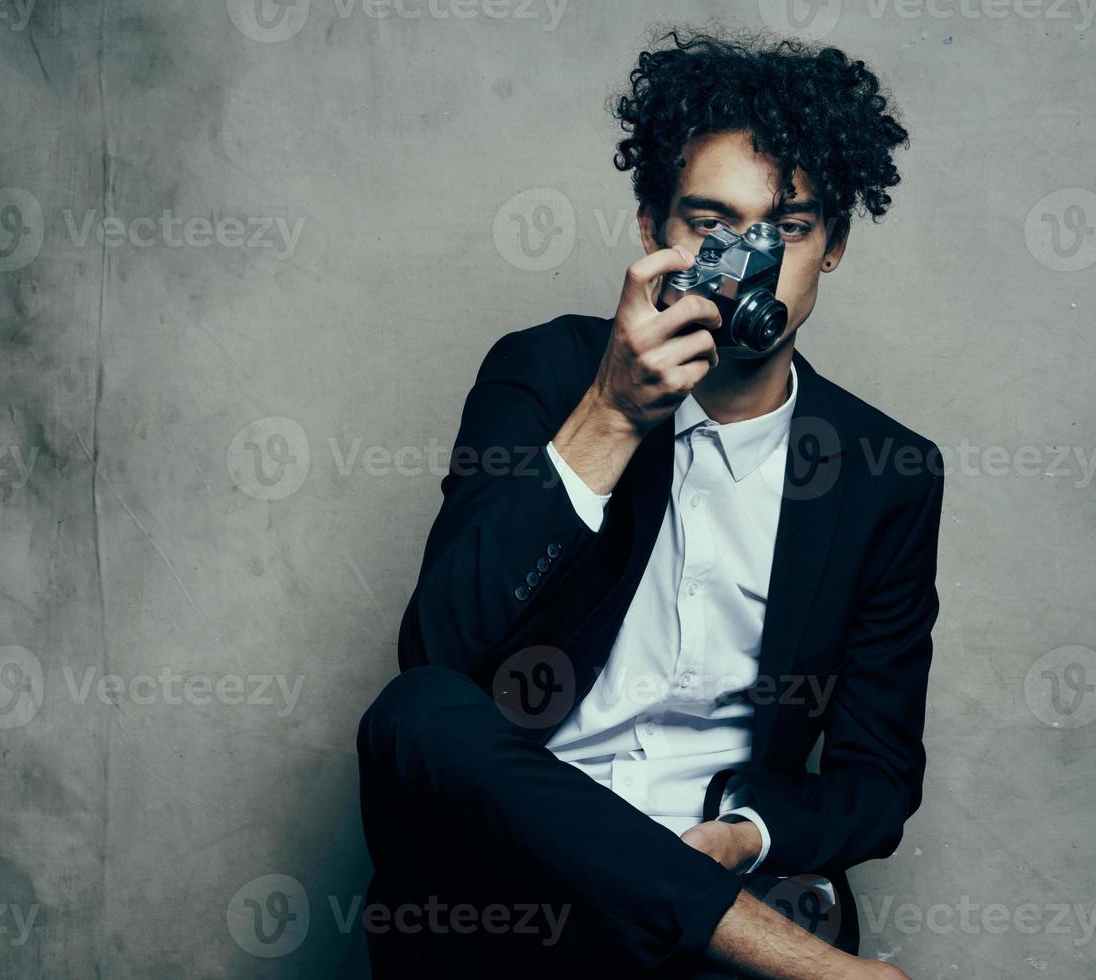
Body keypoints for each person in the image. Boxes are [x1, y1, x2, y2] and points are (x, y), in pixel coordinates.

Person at [357, 27, 942, 979]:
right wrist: (613, 414)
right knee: (416, 710)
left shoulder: (887, 472)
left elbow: (878, 779)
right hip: (519, 876)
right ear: (651, 228)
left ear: (832, 245)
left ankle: (706, 920)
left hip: (712, 857)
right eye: (711, 224)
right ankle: (814, 970)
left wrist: (746, 837)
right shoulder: (547, 372)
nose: (750, 264)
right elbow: (437, 651)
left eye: (787, 229)